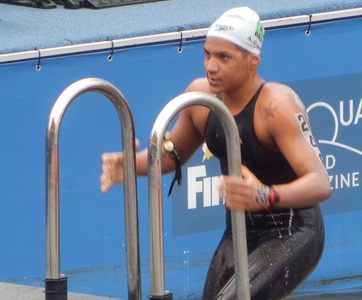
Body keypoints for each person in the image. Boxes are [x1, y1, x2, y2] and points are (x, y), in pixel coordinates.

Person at [100, 6, 330, 299]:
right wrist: (131, 165)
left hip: (294, 231)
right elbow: (171, 156)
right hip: (239, 229)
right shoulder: (200, 99)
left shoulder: (276, 106)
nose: (211, 66)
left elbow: (320, 183)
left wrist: (265, 195)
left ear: (252, 61)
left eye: (224, 57)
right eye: (207, 54)